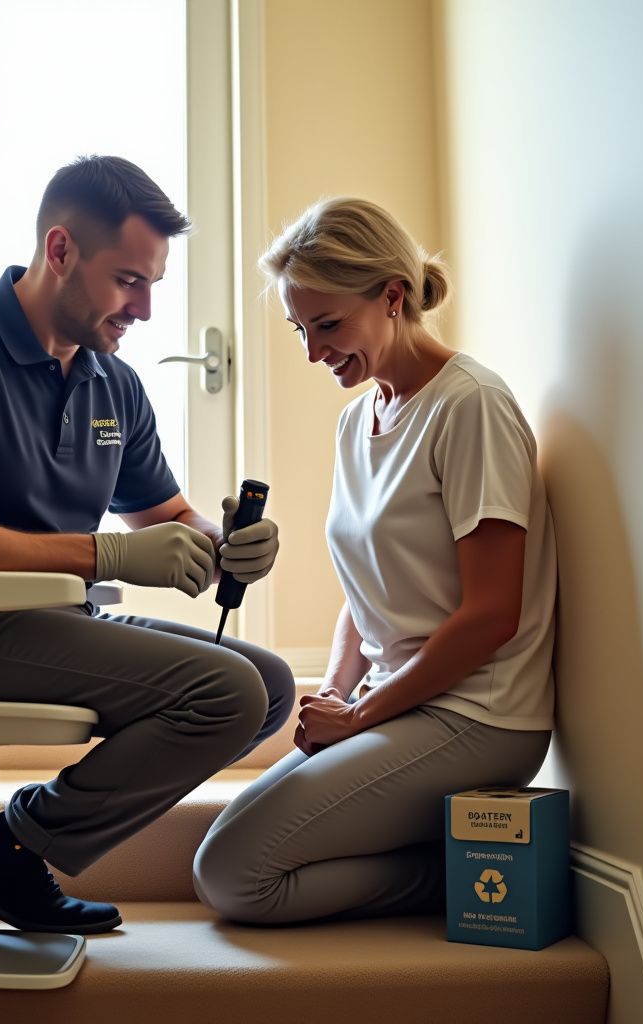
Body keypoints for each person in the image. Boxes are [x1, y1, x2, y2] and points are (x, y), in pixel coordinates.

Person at [0, 155, 293, 935]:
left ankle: (16, 849)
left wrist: (222, 540)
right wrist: (107, 558)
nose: (148, 309)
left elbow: (166, 514)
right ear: (60, 251)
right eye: (129, 280)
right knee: (223, 692)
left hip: (51, 624)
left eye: (154, 283)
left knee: (269, 684)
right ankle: (19, 847)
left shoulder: (110, 383)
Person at [193, 198, 557, 925]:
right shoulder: (358, 419)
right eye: (300, 328)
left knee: (235, 875)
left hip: (479, 715)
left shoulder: (470, 406)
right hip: (400, 704)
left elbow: (491, 615)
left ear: (393, 296)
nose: (311, 351)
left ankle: (445, 879)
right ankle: (444, 861)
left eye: (327, 325)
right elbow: (366, 589)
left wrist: (359, 716)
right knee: (219, 857)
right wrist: (334, 691)